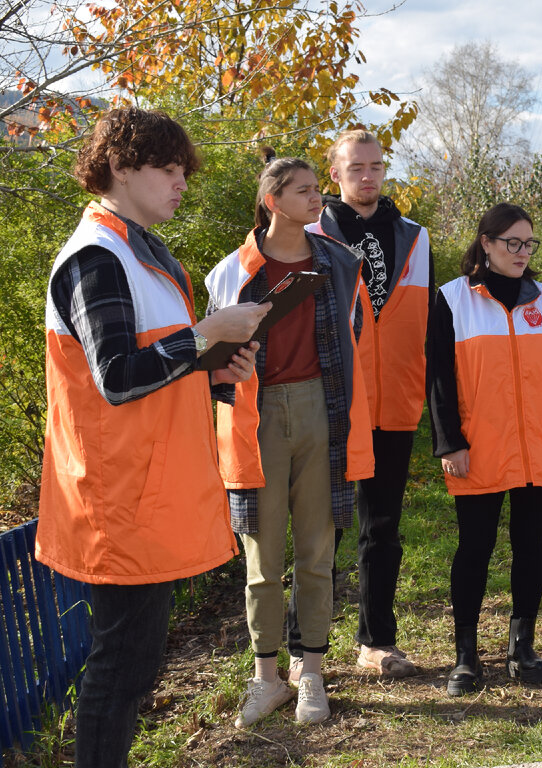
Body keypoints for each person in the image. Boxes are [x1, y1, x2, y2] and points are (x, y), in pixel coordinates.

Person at [35, 107, 266, 767]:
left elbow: (155, 375)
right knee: (119, 672)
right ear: (121, 166)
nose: (181, 183)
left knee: (132, 672)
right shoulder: (95, 257)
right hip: (118, 502)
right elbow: (116, 379)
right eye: (167, 169)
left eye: (181, 171)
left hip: (146, 497)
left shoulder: (139, 254)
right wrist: (205, 337)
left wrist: (215, 369)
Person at [206, 152, 374, 727]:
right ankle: (266, 679)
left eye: (318, 189)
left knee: (316, 551)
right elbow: (213, 364)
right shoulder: (232, 271)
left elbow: (354, 346)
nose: (318, 198)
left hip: (323, 410)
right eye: (304, 190)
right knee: (261, 552)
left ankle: (313, 676)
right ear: (272, 200)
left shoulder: (340, 263)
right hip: (255, 420)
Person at [428, 202, 542, 696]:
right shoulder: (452, 300)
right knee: (474, 549)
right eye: (512, 243)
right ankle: (466, 656)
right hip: (480, 446)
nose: (522, 252)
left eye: (528, 243)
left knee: (529, 546)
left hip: (540, 443)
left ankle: (523, 648)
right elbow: (438, 379)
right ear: (486, 244)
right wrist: (449, 442)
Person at [296, 128, 432, 679]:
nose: (368, 176)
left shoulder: (416, 237)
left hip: (394, 401)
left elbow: (424, 323)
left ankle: (377, 640)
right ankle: (304, 650)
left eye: (376, 166)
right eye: (356, 168)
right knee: (318, 527)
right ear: (336, 175)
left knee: (383, 526)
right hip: (329, 400)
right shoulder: (306, 233)